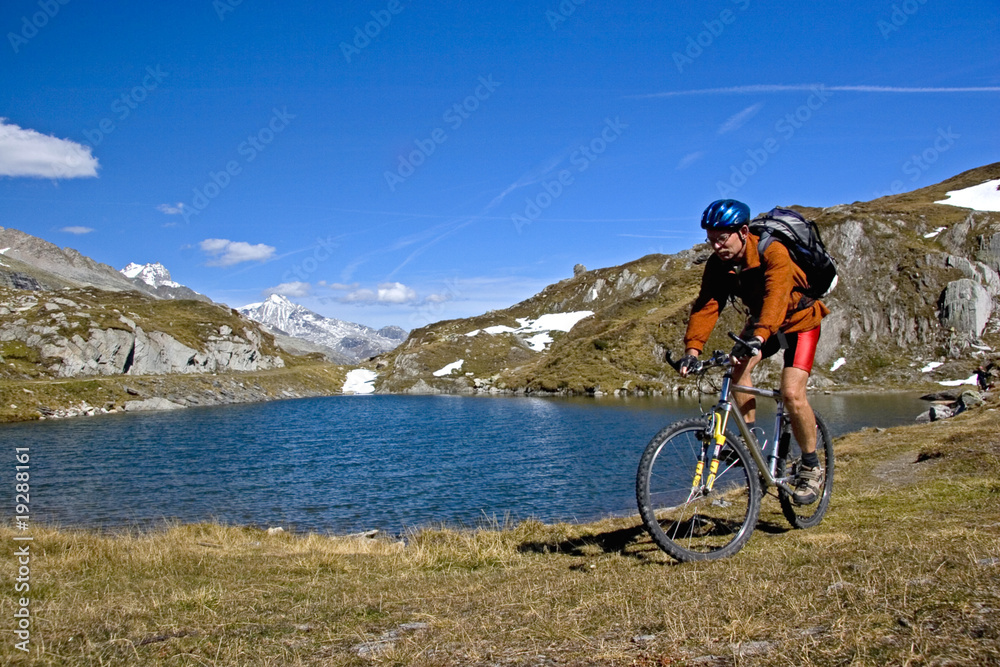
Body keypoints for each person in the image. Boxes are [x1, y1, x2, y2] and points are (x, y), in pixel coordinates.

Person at [677, 199, 830, 505]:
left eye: (722, 238)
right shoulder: (718, 265)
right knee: (736, 371)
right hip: (762, 323)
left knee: (791, 394)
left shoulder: (772, 251)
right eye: (711, 239)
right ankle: (750, 445)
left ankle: (811, 466)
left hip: (799, 321)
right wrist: (692, 350)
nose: (716, 245)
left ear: (743, 231)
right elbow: (708, 305)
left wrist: (760, 336)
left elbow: (776, 297)